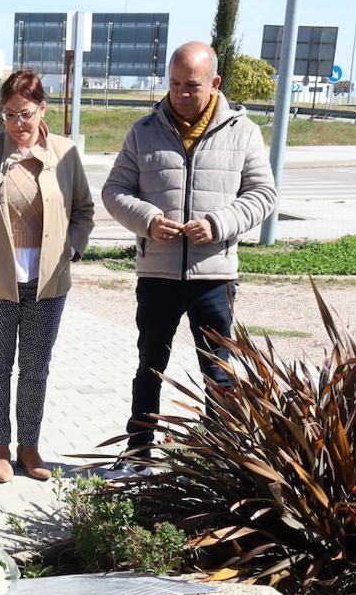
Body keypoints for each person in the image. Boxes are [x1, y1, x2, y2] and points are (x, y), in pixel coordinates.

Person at [102, 41, 277, 473]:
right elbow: (114, 191)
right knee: (150, 365)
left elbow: (264, 194)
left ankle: (217, 458)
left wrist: (219, 224)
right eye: (175, 83)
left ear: (214, 83)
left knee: (218, 372)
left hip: (214, 277)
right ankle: (139, 448)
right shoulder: (144, 131)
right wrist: (147, 219)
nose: (181, 92)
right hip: (158, 272)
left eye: (192, 85)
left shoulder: (244, 132)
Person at [0, 69, 95, 483]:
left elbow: (84, 209)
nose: (17, 124)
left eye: (25, 114)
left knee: (35, 368)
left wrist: (71, 248)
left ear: (42, 109)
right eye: (9, 115)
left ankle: (29, 445)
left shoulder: (64, 153)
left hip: (47, 283)